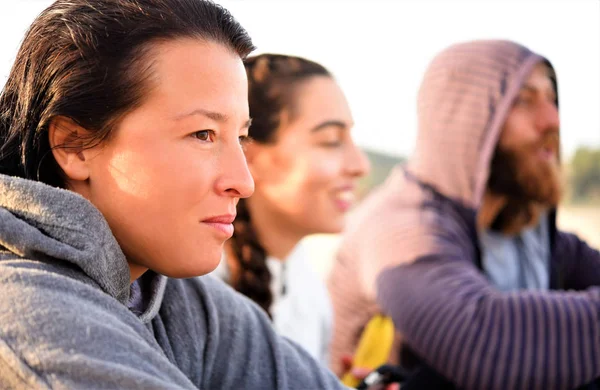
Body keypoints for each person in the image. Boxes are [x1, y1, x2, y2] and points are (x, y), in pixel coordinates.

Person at [0, 1, 351, 388]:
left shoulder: (181, 300)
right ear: (75, 145)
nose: (243, 183)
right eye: (203, 135)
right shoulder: (31, 315)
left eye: (241, 137)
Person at [328, 39, 600, 389]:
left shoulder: (519, 230)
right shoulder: (402, 227)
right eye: (524, 100)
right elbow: (482, 340)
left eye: (551, 99)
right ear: (465, 121)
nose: (552, 121)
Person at [214, 53, 370, 364]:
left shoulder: (309, 292)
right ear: (250, 156)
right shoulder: (192, 284)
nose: (361, 166)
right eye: (330, 140)